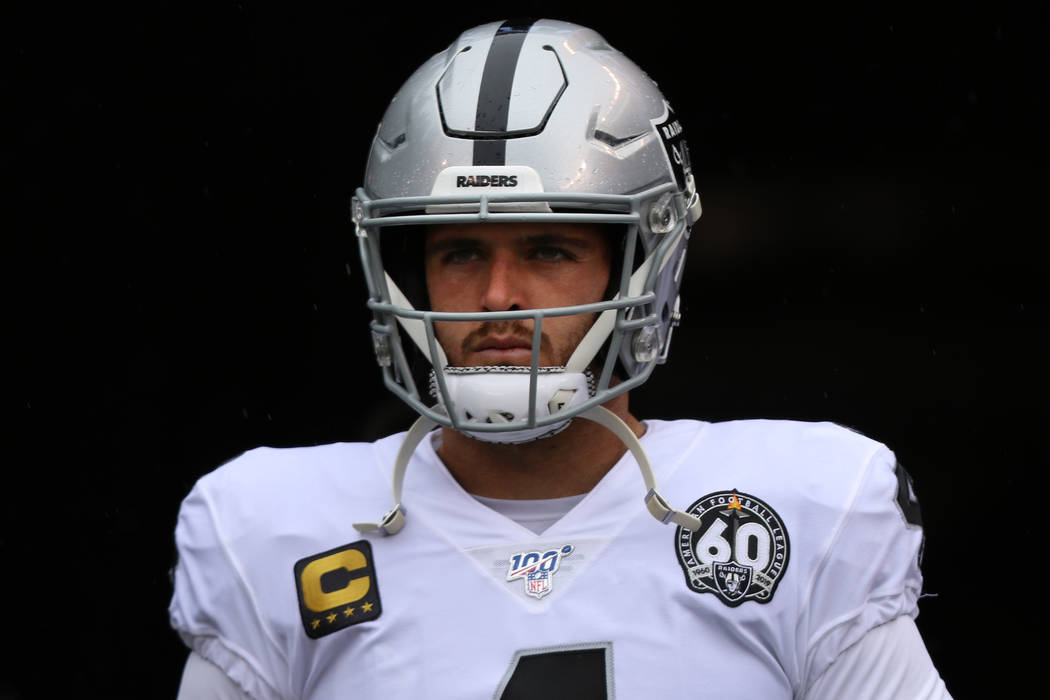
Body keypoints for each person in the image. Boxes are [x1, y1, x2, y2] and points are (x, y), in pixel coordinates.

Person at [169, 19, 953, 699]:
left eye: (549, 249)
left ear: (643, 263)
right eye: (463, 252)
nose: (500, 296)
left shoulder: (803, 514)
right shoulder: (274, 531)